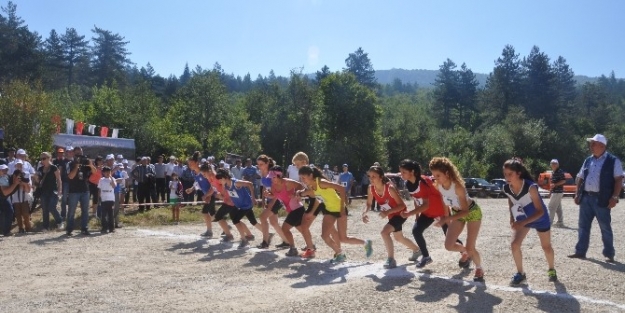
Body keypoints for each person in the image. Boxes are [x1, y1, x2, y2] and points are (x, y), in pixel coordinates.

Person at [299, 165, 373, 263]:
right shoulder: (311, 186)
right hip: (329, 210)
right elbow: (313, 195)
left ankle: (366, 243)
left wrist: (342, 209)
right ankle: (340, 254)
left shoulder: (321, 182)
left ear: (311, 175)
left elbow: (341, 189)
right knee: (324, 236)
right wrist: (300, 194)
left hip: (339, 209)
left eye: (304, 178)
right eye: (301, 178)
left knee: (343, 238)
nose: (302, 180)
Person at [398, 159, 464, 268]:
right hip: (427, 213)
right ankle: (426, 257)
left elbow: (425, 204)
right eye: (401, 172)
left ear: (412, 172)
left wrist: (409, 213)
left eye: (404, 172)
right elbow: (416, 199)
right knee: (416, 230)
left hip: (440, 211)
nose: (401, 174)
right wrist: (417, 215)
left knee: (450, 237)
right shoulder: (408, 184)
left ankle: (465, 252)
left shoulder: (423, 183)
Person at [569, 134, 623, 263]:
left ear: (602, 146)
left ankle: (609, 254)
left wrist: (614, 197)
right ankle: (580, 251)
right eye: (591, 144)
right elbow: (580, 177)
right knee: (583, 226)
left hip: (602, 199)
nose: (591, 146)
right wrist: (577, 194)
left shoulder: (613, 160)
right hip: (586, 197)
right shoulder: (588, 160)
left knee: (605, 227)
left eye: (593, 144)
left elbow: (618, 180)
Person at [429, 157, 485, 281]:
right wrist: (445, 218)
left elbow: (465, 212)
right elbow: (444, 202)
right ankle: (466, 252)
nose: (435, 178)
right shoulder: (439, 185)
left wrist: (447, 219)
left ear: (447, 173)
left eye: (438, 175)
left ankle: (479, 268)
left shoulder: (458, 187)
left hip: (472, 212)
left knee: (471, 246)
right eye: (433, 175)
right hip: (456, 213)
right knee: (449, 245)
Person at [502, 158, 557, 285]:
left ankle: (551, 269)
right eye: (505, 174)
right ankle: (521, 274)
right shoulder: (506, 188)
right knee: (514, 245)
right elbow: (511, 200)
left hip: (540, 218)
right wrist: (512, 217)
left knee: (546, 247)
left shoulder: (530, 187)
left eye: (510, 174)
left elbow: (540, 211)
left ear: (518, 173)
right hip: (523, 218)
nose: (507, 177)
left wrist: (521, 222)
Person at [362, 165, 419, 269]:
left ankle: (391, 259)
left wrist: (387, 212)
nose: (371, 179)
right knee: (399, 237)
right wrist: (364, 213)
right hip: (392, 215)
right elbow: (369, 203)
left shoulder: (390, 188)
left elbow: (402, 205)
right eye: (369, 176)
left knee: (384, 232)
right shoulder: (371, 188)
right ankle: (417, 250)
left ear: (380, 177)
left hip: (401, 214)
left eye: (373, 176)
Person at [265, 166, 315, 258]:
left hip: (297, 208)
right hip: (290, 210)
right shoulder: (273, 186)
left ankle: (293, 249)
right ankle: (311, 245)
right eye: (271, 177)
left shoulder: (287, 182)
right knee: (301, 229)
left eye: (274, 177)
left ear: (279, 175)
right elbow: (274, 195)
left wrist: (298, 194)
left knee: (285, 228)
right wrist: (269, 195)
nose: (272, 179)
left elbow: (301, 186)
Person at [215, 168, 261, 248]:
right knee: (253, 222)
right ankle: (265, 233)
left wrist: (253, 198)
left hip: (246, 205)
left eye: (220, 180)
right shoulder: (226, 185)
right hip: (239, 206)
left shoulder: (236, 183)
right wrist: (220, 196)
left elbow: (250, 184)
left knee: (235, 220)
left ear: (224, 177)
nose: (219, 182)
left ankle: (244, 240)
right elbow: (228, 195)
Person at [256, 154, 288, 249]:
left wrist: (271, 201)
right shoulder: (263, 173)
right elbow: (264, 188)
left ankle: (265, 242)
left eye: (261, 164)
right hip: (270, 198)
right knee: (273, 222)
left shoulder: (272, 173)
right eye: (258, 164)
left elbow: (278, 188)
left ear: (267, 163)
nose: (259, 166)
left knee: (262, 217)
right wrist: (263, 200)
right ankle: (287, 241)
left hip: (276, 199)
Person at [66, 147, 95, 236]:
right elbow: (70, 176)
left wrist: (90, 164)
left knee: (85, 211)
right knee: (71, 211)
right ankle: (69, 229)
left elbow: (94, 172)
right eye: (77, 154)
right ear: (73, 154)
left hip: (85, 190)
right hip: (74, 191)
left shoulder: (86, 163)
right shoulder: (70, 163)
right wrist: (76, 166)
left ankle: (84, 228)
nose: (79, 156)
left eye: (80, 154)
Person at [33, 152, 64, 232]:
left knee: (51, 206)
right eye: (41, 159)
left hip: (53, 191)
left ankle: (60, 221)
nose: (42, 160)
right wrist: (35, 178)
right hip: (44, 191)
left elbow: (59, 179)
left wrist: (60, 190)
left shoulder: (54, 168)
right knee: (45, 209)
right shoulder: (40, 169)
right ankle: (46, 227)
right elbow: (38, 182)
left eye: (44, 158)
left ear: (49, 158)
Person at [0, 164, 18, 236]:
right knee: (7, 212)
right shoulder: (1, 178)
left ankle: (6, 231)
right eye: (3, 170)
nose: (5, 171)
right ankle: (5, 231)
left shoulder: (6, 177)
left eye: (6, 170)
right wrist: (15, 184)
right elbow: (5, 192)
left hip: (4, 198)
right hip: (3, 197)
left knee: (9, 212)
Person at [98, 166, 117, 233]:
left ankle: (111, 228)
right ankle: (104, 227)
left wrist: (111, 177)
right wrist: (99, 198)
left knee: (110, 214)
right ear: (103, 172)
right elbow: (99, 189)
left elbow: (114, 186)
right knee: (104, 214)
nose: (107, 173)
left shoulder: (113, 179)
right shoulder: (101, 180)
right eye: (106, 172)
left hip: (111, 198)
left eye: (109, 172)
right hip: (104, 198)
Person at [548, 159, 566, 227]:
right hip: (554, 192)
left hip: (558, 192)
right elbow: (552, 184)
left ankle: (549, 222)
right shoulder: (553, 172)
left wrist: (555, 185)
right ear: (550, 165)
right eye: (552, 163)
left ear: (558, 165)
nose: (554, 165)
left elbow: (563, 181)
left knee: (551, 207)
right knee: (558, 207)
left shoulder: (560, 171)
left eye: (555, 163)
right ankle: (560, 222)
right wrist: (550, 192)